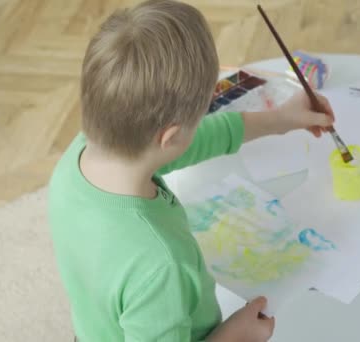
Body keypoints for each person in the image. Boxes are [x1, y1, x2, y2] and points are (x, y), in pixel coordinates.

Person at [48, 0, 335, 341]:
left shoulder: (81, 156)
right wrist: (235, 334)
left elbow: (195, 141)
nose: (201, 126)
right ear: (168, 138)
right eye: (198, 119)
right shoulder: (159, 264)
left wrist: (280, 119)